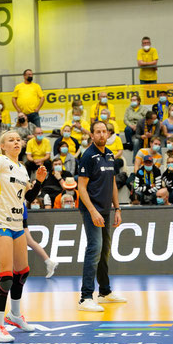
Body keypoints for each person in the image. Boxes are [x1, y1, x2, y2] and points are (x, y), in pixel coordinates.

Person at [0, 131, 47, 342]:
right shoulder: (0, 161)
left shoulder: (23, 168)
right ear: (3, 146)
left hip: (17, 225)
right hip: (1, 223)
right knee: (6, 277)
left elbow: (28, 198)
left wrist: (39, 182)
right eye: (11, 140)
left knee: (22, 272)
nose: (16, 142)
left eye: (18, 139)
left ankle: (15, 315)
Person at [77, 120, 124, 312]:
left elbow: (112, 183)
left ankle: (104, 292)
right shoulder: (88, 156)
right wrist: (93, 211)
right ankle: (85, 297)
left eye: (104, 131)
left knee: (105, 250)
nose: (102, 134)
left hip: (105, 209)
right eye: (98, 132)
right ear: (92, 135)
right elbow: (81, 187)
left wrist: (117, 208)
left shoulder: (110, 155)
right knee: (94, 248)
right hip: (91, 210)